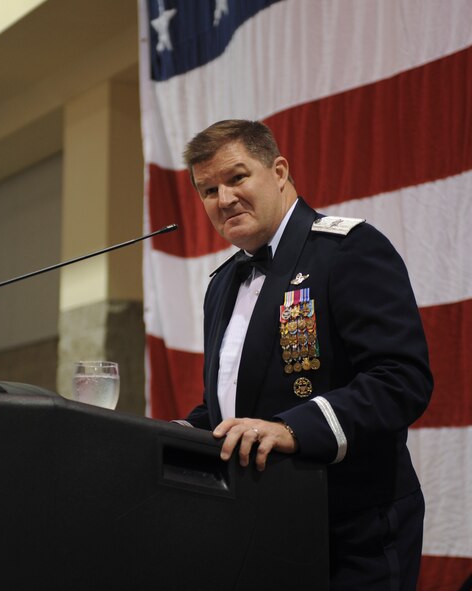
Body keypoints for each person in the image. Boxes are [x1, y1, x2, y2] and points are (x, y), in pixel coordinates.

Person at [178, 119, 433, 591]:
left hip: (353, 531)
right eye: (208, 190)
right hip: (260, 525)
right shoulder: (222, 285)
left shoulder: (348, 250)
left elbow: (401, 379)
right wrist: (174, 435)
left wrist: (294, 428)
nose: (225, 199)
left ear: (279, 171)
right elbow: (239, 406)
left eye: (237, 178)